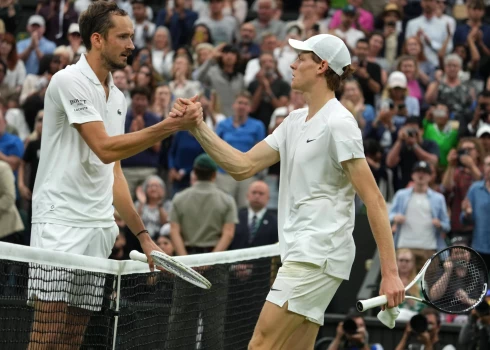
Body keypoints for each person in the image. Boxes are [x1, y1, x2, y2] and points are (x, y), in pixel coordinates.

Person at [170, 33, 404, 349]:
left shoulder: (340, 123)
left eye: (301, 59)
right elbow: (242, 166)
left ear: (322, 66)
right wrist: (198, 127)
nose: (293, 64)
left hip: (318, 252)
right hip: (303, 251)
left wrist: (390, 274)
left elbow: (374, 199)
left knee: (260, 344)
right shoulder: (294, 121)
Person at [28, 2, 202, 348]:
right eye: (122, 37)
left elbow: (114, 174)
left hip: (97, 228)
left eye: (132, 37)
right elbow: (104, 147)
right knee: (47, 337)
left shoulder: (118, 97)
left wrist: (143, 236)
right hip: (59, 223)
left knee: (72, 337)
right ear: (97, 39)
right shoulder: (68, 81)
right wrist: (170, 126)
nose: (131, 45)